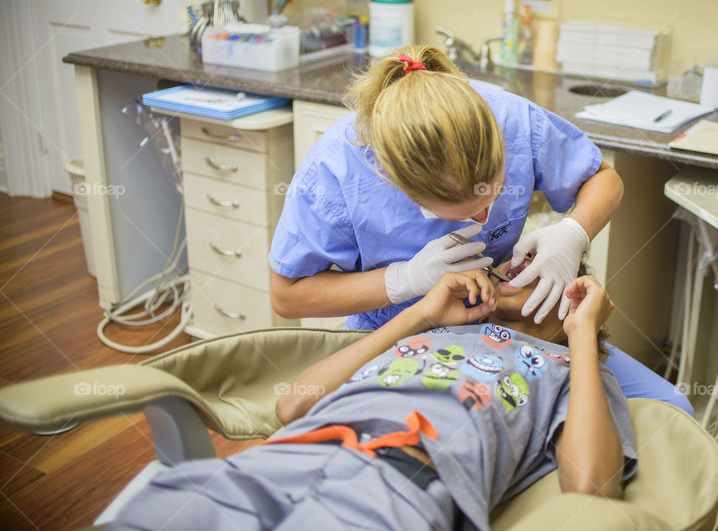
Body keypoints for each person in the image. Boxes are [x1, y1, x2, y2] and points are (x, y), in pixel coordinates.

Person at [267, 44, 691, 414]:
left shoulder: (513, 120)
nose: (486, 222)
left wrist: (573, 233)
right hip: (393, 333)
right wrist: (404, 283)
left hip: (503, 342)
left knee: (672, 408)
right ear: (402, 188)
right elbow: (287, 297)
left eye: (492, 197)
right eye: (462, 212)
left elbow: (604, 178)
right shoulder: (336, 171)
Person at [107, 269, 638, 531]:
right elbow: (293, 406)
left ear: (572, 288)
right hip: (290, 453)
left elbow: (591, 484)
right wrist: (420, 317)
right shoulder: (434, 331)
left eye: (536, 263)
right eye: (511, 260)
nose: (514, 266)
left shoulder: (574, 370)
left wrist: (582, 335)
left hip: (393, 486)